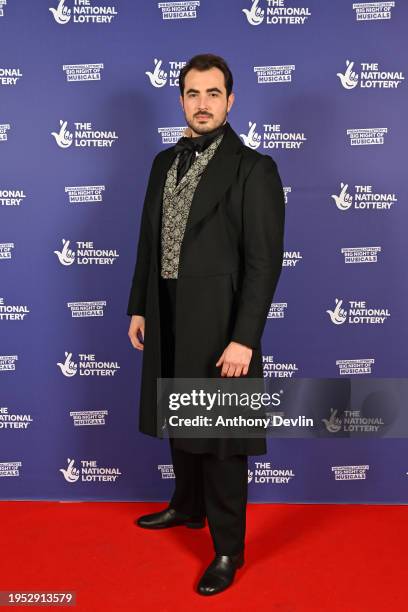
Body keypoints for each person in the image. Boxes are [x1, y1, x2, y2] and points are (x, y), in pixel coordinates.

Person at [127, 53, 285, 596]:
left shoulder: (253, 169)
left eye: (212, 94)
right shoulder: (161, 163)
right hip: (167, 310)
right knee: (178, 415)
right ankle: (185, 506)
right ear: (181, 100)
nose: (202, 104)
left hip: (221, 322)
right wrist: (140, 304)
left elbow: (264, 263)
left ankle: (227, 550)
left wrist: (244, 338)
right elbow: (149, 242)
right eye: (193, 94)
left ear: (231, 100)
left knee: (221, 440)